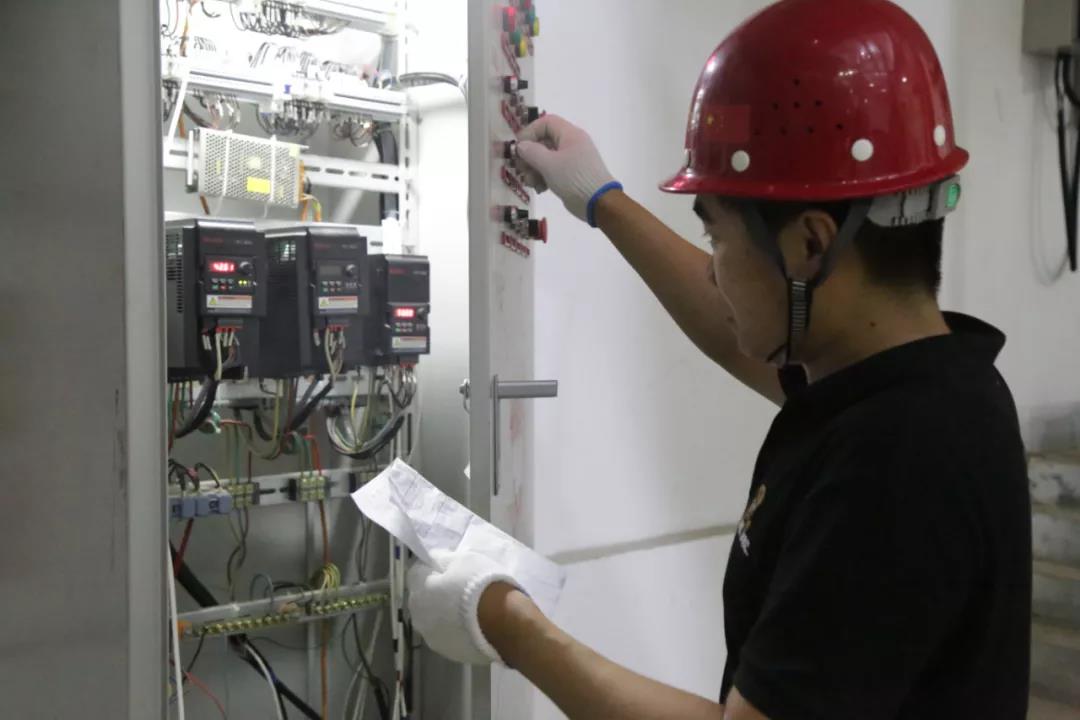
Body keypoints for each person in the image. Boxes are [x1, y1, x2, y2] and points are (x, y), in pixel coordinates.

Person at [407, 0, 1033, 717]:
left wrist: (509, 625)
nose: (714, 269)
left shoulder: (900, 459)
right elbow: (733, 322)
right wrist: (600, 199)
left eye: (716, 237)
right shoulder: (924, 383)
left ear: (811, 244)